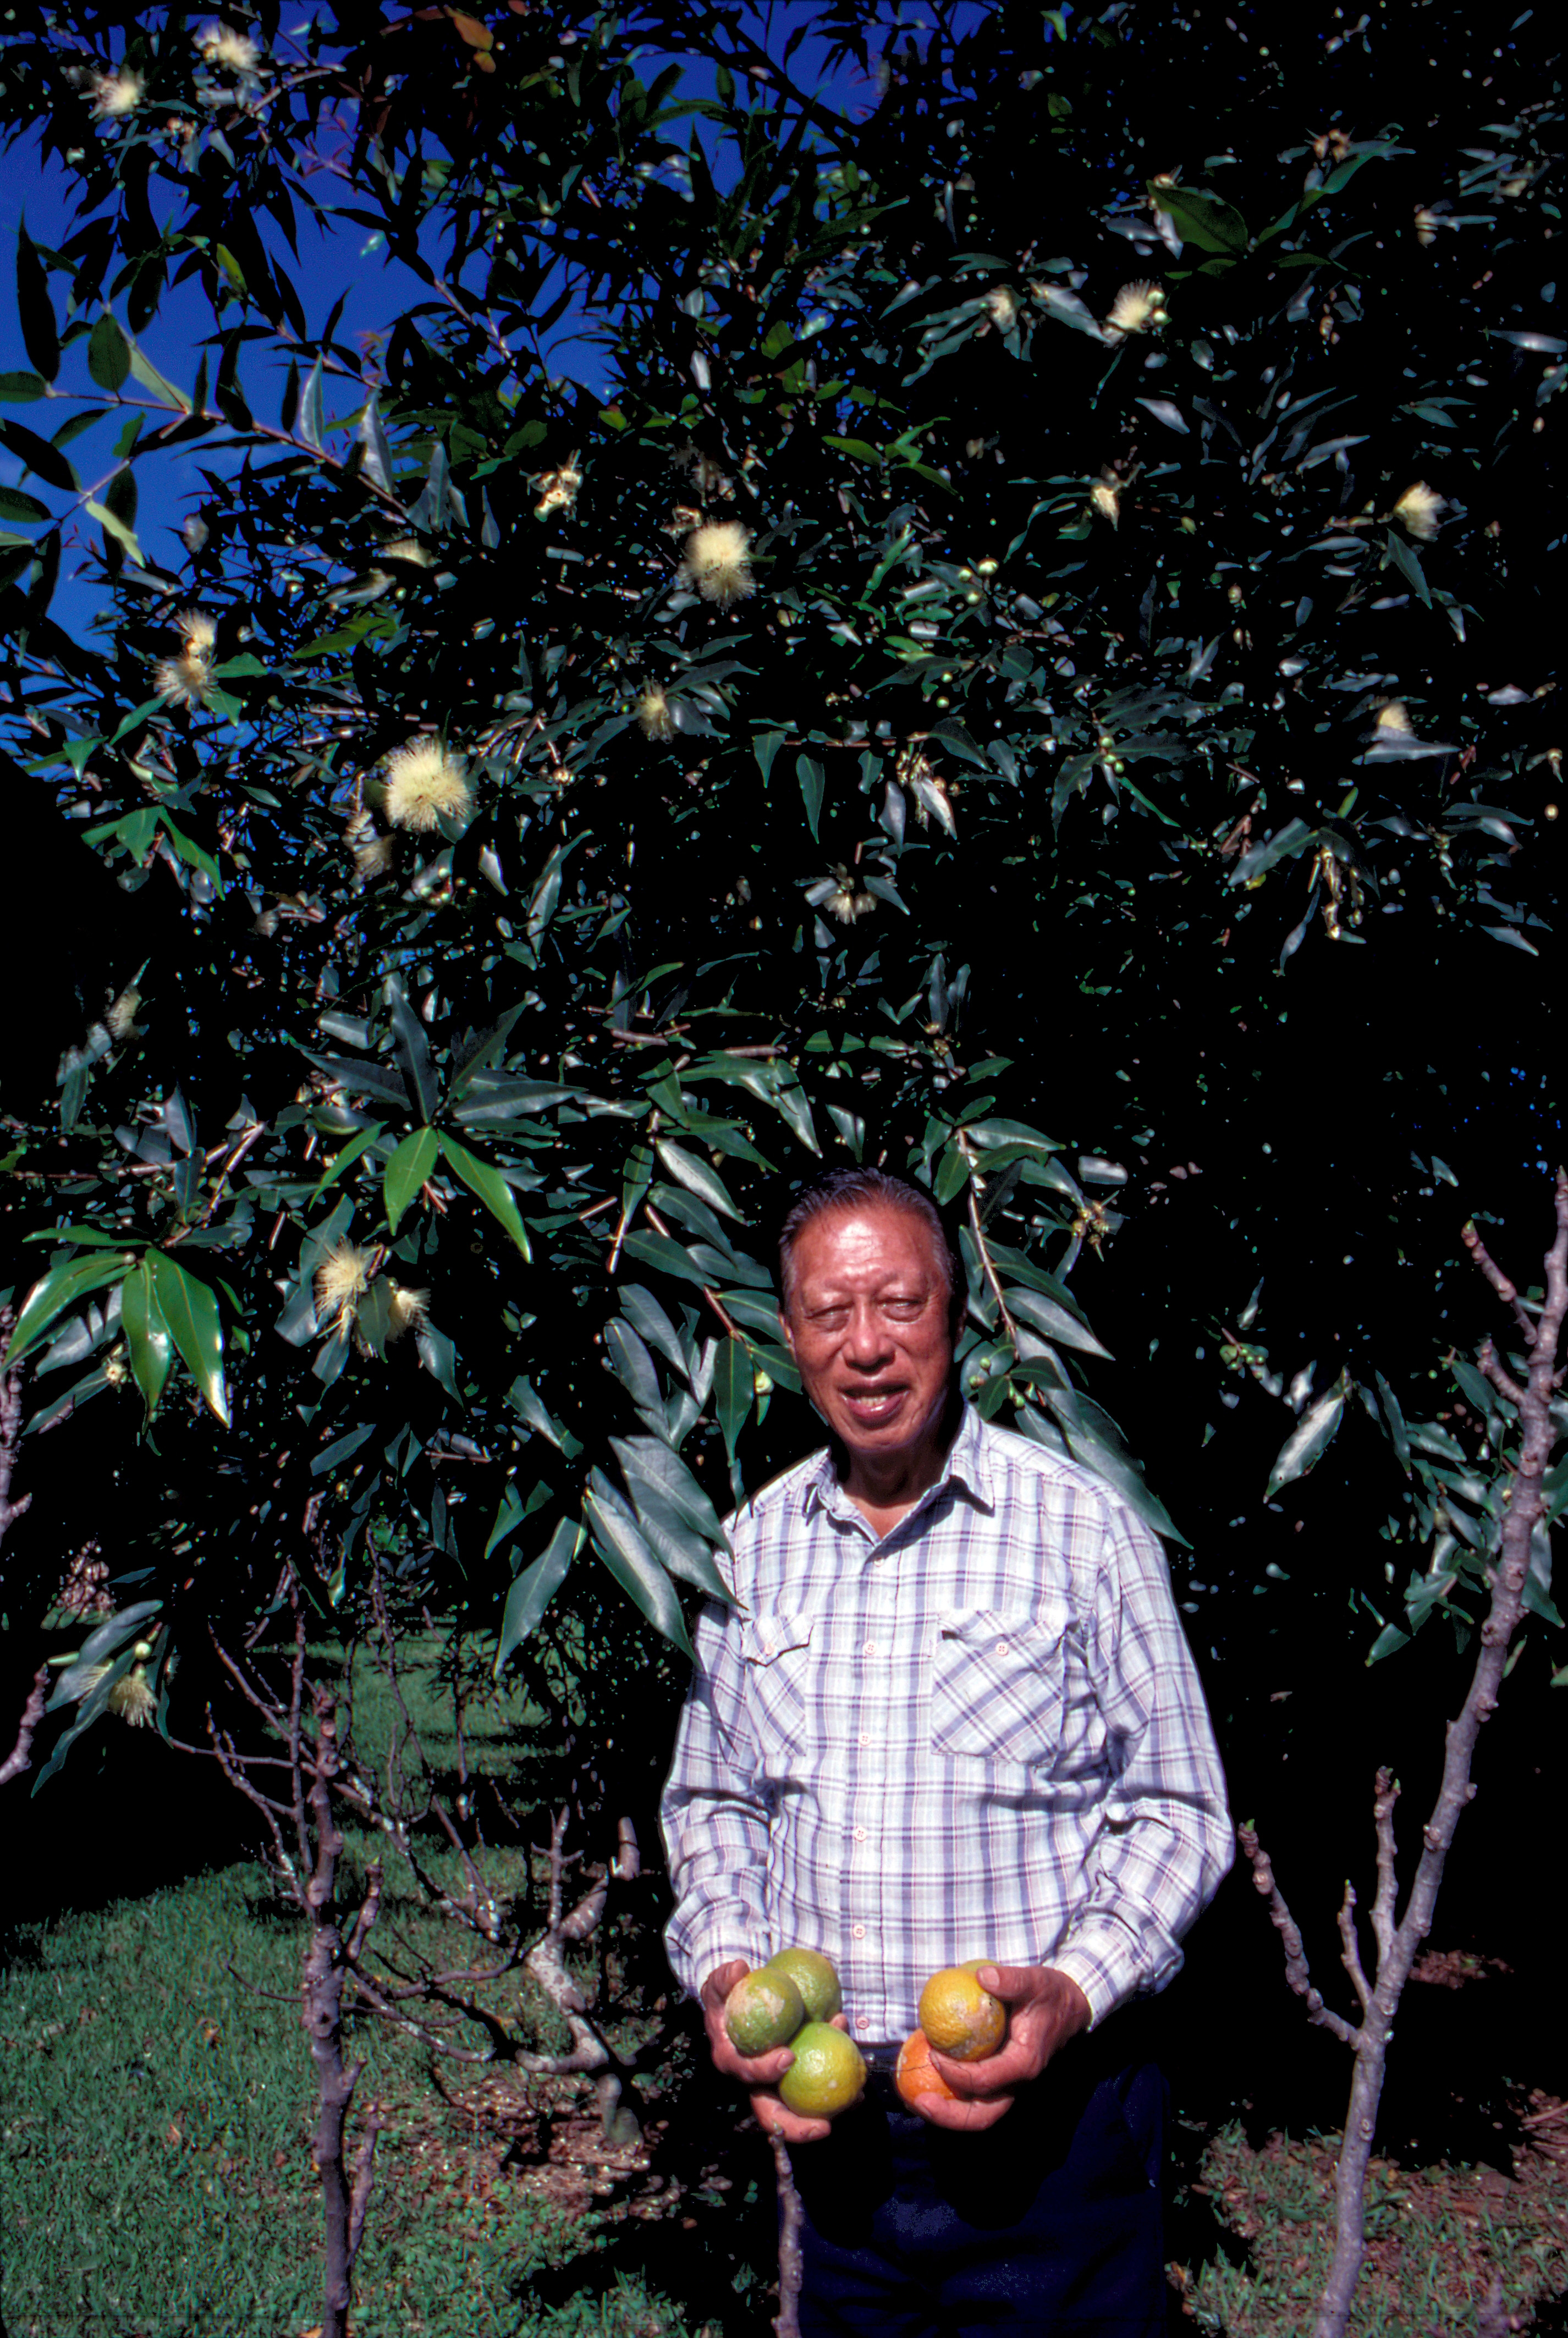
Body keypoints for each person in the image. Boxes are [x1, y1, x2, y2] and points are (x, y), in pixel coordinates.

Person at [659, 1167, 1233, 2335]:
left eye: (900, 1304)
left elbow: (1179, 1808)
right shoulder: (747, 1552)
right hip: (843, 2139)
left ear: (958, 1316)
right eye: (830, 1312)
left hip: (1057, 2138)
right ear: (788, 1339)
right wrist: (727, 1970)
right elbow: (713, 1800)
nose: (867, 1345)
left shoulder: (1082, 1528)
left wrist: (1073, 1992)